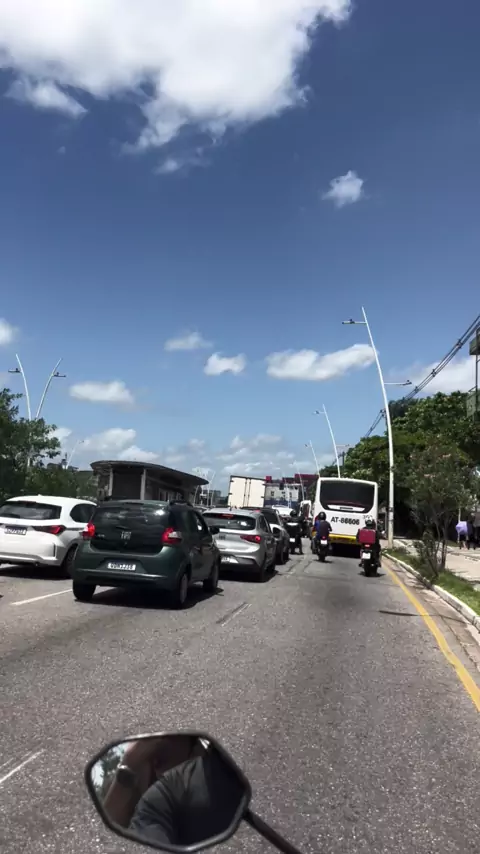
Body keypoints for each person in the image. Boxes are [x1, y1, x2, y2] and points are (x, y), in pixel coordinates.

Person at [129, 746, 246, 847]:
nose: (157, 768)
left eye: (162, 759)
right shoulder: (163, 796)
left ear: (196, 749)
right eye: (156, 761)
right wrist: (130, 759)